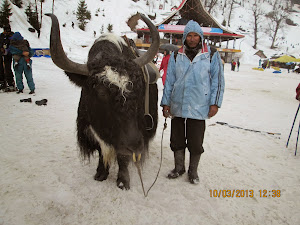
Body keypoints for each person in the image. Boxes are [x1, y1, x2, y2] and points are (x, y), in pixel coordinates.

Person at [161, 20, 225, 184]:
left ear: (201, 37)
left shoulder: (211, 54)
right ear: (184, 37)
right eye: (189, 35)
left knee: (196, 142)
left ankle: (193, 171)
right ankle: (179, 168)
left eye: (196, 35)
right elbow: (169, 81)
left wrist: (215, 103)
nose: (192, 38)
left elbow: (217, 81)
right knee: (177, 140)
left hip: (199, 105)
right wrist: (166, 103)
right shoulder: (176, 55)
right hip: (178, 104)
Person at [0, 25, 15, 91]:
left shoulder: (12, 36)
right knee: (1, 68)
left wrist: (8, 50)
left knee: (7, 68)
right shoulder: (1, 36)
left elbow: (13, 44)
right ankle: (2, 81)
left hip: (8, 55)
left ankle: (10, 82)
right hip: (1, 54)